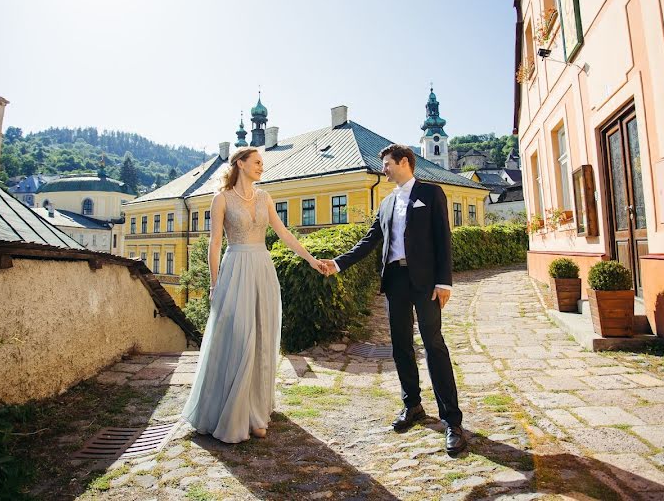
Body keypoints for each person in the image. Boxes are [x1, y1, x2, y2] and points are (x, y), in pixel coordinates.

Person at [321, 143, 466, 456]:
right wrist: (338, 263)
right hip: (396, 281)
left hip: (427, 282)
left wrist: (444, 282)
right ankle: (412, 405)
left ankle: (452, 421)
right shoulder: (386, 203)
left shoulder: (430, 193)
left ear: (403, 162)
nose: (383, 169)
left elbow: (444, 237)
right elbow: (370, 240)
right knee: (400, 345)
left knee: (432, 344)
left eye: (386, 163)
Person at [181, 147, 326, 443]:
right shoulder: (221, 198)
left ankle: (257, 414)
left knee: (262, 338)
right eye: (257, 162)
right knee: (241, 339)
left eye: (262, 163)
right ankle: (235, 413)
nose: (262, 167)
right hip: (235, 269)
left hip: (262, 268)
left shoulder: (265, 197)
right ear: (241, 163)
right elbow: (215, 243)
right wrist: (214, 282)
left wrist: (311, 260)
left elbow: (284, 233)